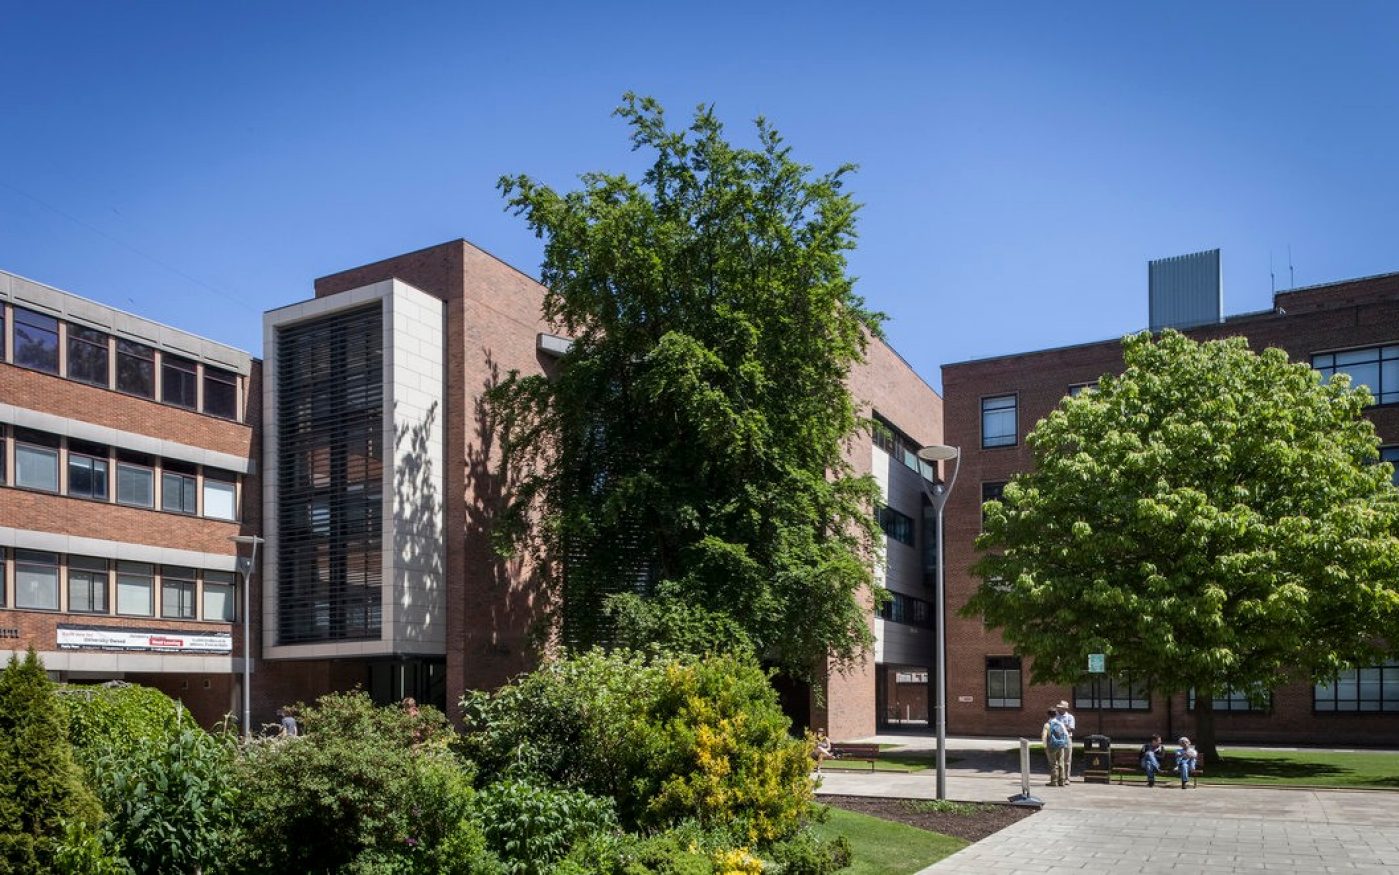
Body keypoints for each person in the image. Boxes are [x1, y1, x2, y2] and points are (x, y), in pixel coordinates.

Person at [1041, 707, 1070, 786]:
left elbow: (1044, 736)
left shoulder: (1047, 724)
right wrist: (1065, 744)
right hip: (1060, 745)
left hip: (1051, 746)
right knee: (1061, 762)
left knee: (1053, 764)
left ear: (1048, 715)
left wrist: (1045, 746)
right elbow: (1066, 734)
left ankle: (1054, 781)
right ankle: (1062, 781)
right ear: (1056, 714)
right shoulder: (1060, 723)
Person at [1054, 700, 1076, 781]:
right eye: (1059, 708)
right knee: (1057, 759)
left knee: (1067, 760)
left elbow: (1071, 729)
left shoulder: (1070, 717)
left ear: (1065, 709)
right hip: (1057, 739)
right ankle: (1057, 778)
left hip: (1067, 739)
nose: (1059, 709)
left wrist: (1060, 727)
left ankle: (1066, 778)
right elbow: (1052, 727)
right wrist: (1064, 727)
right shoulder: (1055, 716)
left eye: (1061, 708)